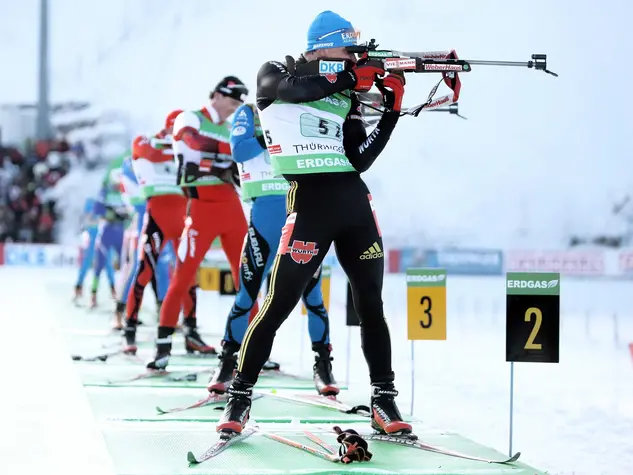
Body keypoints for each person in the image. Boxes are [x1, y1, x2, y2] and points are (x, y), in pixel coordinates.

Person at [218, 11, 412, 436]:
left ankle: (384, 399)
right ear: (325, 46)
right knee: (278, 302)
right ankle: (239, 397)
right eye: (348, 50)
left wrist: (392, 110)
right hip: (310, 206)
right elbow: (292, 88)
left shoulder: (345, 95)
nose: (353, 58)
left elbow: (358, 157)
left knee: (371, 305)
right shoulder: (277, 72)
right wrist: (351, 78)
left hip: (355, 205)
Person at [208, 102, 336, 396]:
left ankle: (323, 365)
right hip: (265, 214)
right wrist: (277, 132)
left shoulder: (302, 109)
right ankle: (227, 361)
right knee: (247, 294)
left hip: (301, 212)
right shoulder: (249, 112)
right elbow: (240, 151)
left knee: (313, 297)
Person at [147, 80, 250, 370]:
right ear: (217, 94)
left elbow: (232, 163)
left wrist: (213, 160)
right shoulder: (190, 117)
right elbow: (191, 144)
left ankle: (254, 349)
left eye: (240, 102)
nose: (235, 106)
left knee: (247, 278)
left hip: (231, 208)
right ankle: (162, 348)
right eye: (232, 99)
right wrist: (225, 157)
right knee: (183, 277)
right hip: (200, 207)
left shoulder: (231, 128)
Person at [123, 111, 198, 356]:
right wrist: (177, 150)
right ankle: (129, 330)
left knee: (188, 275)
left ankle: (191, 332)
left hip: (182, 216)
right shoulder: (146, 140)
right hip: (157, 215)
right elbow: (150, 153)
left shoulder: (186, 146)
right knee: (144, 272)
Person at [113, 153, 173, 330]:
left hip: (161, 217)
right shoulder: (131, 165)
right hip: (142, 221)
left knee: (162, 267)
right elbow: (136, 200)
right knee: (136, 267)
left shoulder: (161, 161)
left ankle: (164, 313)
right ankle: (119, 313)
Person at [90, 155, 128, 308]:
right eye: (116, 184)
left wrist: (123, 214)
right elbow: (97, 210)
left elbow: (131, 211)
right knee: (99, 264)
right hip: (107, 230)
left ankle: (121, 296)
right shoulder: (105, 191)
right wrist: (112, 213)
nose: (117, 187)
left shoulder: (124, 193)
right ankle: (93, 294)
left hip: (120, 231)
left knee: (125, 265)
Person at [73, 197, 115, 303]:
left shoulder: (107, 203)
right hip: (93, 237)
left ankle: (112, 290)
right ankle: (79, 287)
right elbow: (87, 219)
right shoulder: (92, 203)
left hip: (104, 238)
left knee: (107, 265)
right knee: (87, 264)